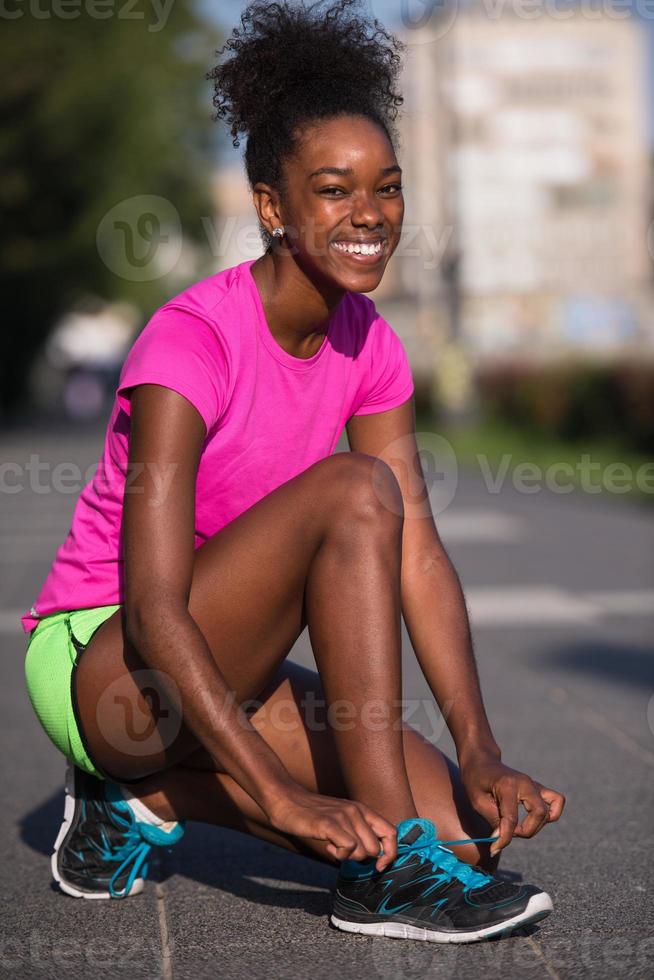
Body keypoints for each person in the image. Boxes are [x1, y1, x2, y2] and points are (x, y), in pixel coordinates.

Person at [22, 0, 565, 943]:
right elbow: (153, 608)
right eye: (333, 189)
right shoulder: (190, 342)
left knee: (469, 838)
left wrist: (481, 748)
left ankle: (142, 797)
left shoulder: (373, 347)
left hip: (229, 661)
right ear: (272, 208)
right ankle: (383, 879)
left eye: (387, 188)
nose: (369, 215)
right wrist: (278, 798)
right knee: (359, 492)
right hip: (106, 666)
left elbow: (420, 560)